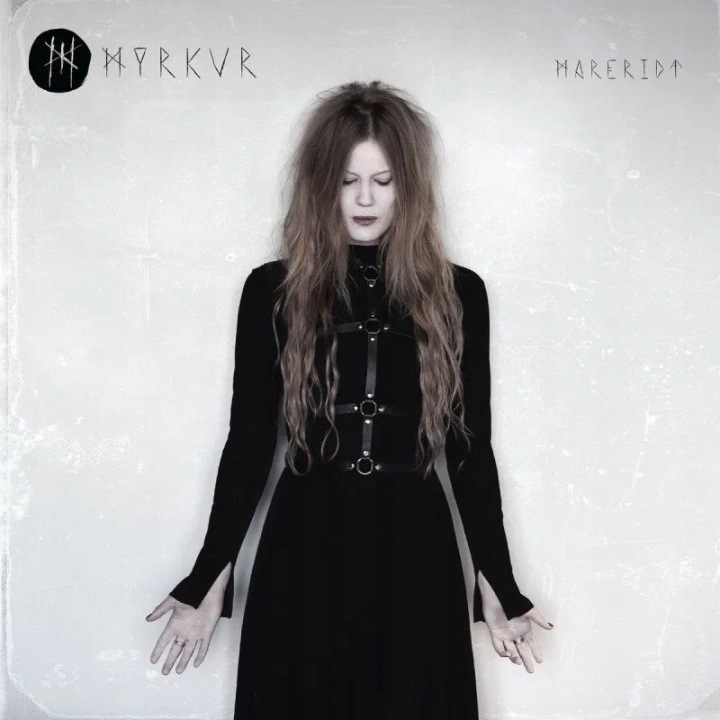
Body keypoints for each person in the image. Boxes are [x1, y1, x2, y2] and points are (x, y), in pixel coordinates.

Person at [146, 80, 553, 719]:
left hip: (415, 550)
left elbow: (470, 448)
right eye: (347, 181)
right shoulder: (272, 290)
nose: (365, 199)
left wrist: (496, 579)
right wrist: (210, 574)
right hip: (303, 547)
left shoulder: (459, 293)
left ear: (409, 188)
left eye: (383, 181)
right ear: (321, 186)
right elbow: (249, 440)